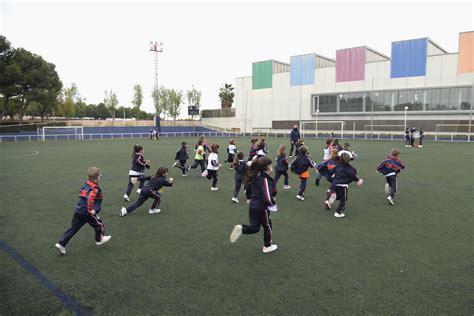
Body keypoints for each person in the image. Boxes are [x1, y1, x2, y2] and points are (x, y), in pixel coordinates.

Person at [54, 167, 111, 255]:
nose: (101, 177)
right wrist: (93, 210)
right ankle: (99, 239)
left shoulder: (86, 184)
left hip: (78, 211)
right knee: (99, 224)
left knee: (74, 228)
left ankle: (61, 243)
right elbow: (90, 199)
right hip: (87, 213)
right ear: (96, 178)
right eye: (100, 175)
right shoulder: (94, 189)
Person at [229, 157, 278, 253]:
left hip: (253, 205)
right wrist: (272, 204)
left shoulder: (256, 176)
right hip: (262, 207)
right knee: (267, 226)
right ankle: (267, 246)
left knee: (255, 227)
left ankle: (241, 229)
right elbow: (267, 195)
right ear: (267, 168)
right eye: (270, 165)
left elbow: (249, 189)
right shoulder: (264, 179)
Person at [328, 153, 363, 218]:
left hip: (335, 184)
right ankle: (338, 212)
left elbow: (331, 172)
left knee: (338, 196)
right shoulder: (348, 168)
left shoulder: (337, 165)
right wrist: (358, 180)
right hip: (343, 185)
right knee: (343, 200)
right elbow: (353, 176)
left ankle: (333, 195)